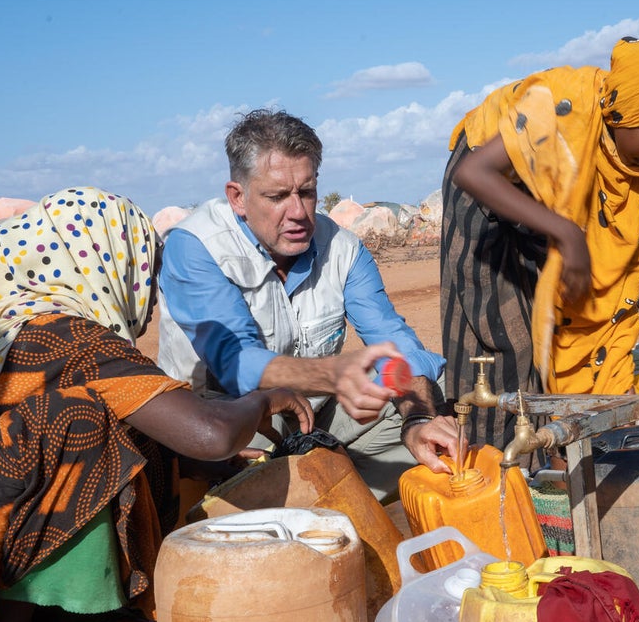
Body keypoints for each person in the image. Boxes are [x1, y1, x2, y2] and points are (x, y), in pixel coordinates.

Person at [0, 188, 312, 622]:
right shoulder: (69, 336)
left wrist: (215, 460)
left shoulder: (2, 337)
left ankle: (46, 617)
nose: (152, 295)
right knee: (77, 421)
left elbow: (178, 433)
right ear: (107, 261)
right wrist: (265, 399)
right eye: (145, 271)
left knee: (119, 420)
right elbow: (209, 433)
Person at [157, 109, 460, 501]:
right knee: (237, 465)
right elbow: (237, 366)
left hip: (315, 419)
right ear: (238, 197)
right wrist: (333, 374)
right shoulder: (196, 247)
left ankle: (323, 488)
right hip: (234, 426)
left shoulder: (344, 249)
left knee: (428, 394)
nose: (298, 212)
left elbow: (396, 345)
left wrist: (418, 419)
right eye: (278, 196)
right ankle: (316, 489)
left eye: (307, 191)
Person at [440, 37, 639, 446]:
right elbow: (474, 174)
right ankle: (506, 471)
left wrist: (565, 236)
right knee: (506, 341)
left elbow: (616, 275)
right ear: (625, 111)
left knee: (574, 318)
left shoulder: (625, 163)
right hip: (489, 196)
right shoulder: (563, 106)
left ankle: (572, 447)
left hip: (547, 205)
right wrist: (566, 232)